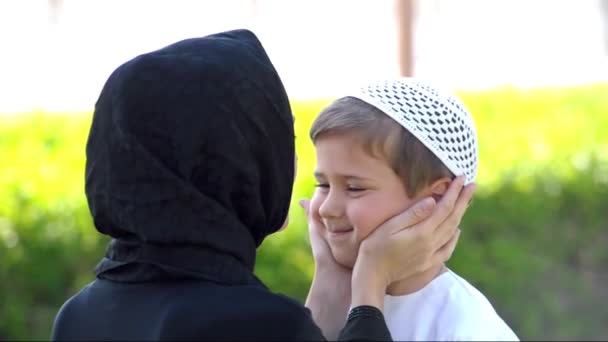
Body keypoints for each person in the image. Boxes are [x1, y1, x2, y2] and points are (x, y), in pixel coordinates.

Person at [50, 30, 474, 341]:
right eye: (272, 139)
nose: (289, 163)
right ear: (228, 163)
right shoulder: (249, 324)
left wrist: (329, 279)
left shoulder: (77, 316)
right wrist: (368, 290)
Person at [305, 78, 519, 341]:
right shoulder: (328, 305)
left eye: (354, 188)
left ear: (437, 198)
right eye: (322, 184)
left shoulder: (467, 329)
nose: (327, 209)